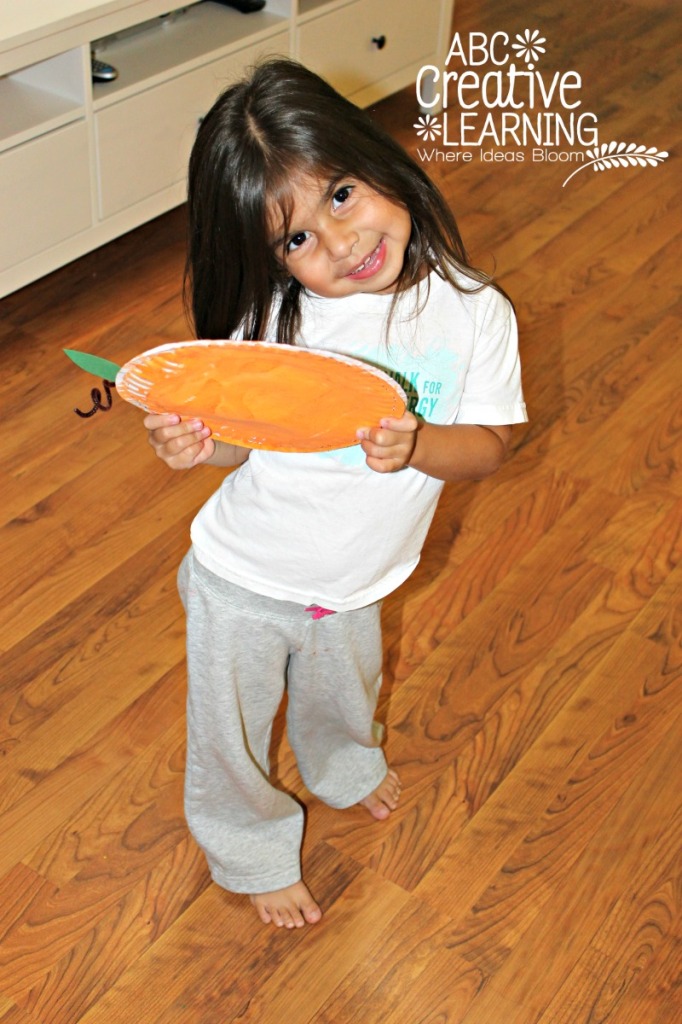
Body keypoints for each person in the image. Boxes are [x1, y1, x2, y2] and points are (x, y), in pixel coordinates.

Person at [144, 58, 527, 929]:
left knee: (344, 694)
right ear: (268, 256)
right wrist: (195, 444)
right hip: (246, 576)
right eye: (296, 239)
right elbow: (241, 445)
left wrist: (423, 443)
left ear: (378, 160)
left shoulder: (474, 314)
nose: (340, 242)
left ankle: (345, 768)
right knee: (231, 736)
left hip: (357, 578)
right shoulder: (276, 322)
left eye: (342, 195)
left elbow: (495, 446)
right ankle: (248, 848)